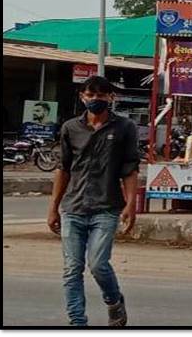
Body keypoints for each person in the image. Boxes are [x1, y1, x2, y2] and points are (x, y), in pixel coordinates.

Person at [47, 75, 139, 327]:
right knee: (71, 270)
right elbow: (62, 169)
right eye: (90, 94)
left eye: (101, 95)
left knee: (98, 264)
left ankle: (114, 301)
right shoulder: (70, 128)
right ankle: (77, 323)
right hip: (73, 208)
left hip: (106, 208)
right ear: (82, 97)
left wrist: (132, 204)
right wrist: (53, 207)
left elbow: (130, 169)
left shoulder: (124, 128)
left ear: (111, 97)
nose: (95, 99)